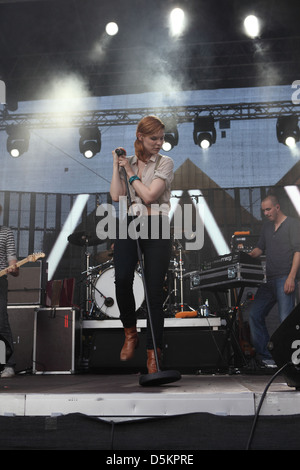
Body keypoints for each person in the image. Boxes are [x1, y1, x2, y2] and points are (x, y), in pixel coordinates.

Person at [110, 115, 174, 374]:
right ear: (140, 137)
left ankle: (153, 353)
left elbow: (148, 196)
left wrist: (130, 171)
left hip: (157, 224)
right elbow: (117, 195)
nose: (159, 143)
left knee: (154, 292)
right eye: (153, 138)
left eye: (161, 138)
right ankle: (130, 332)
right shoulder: (129, 163)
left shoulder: (166, 163)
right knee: (122, 278)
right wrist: (117, 166)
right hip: (129, 223)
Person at [249, 194, 300, 368]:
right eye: (263, 210)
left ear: (277, 207)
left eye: (268, 209)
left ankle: (288, 362)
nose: (266, 213)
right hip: (269, 280)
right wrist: (243, 256)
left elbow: (298, 252)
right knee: (254, 314)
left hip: (285, 277)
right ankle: (267, 357)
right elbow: (258, 249)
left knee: (286, 321)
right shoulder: (267, 227)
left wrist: (291, 277)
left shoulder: (293, 224)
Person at [0, 205, 19, 377]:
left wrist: (14, 268)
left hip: (0, 281)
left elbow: (12, 260)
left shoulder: (6, 232)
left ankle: (6, 364)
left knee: (1, 323)